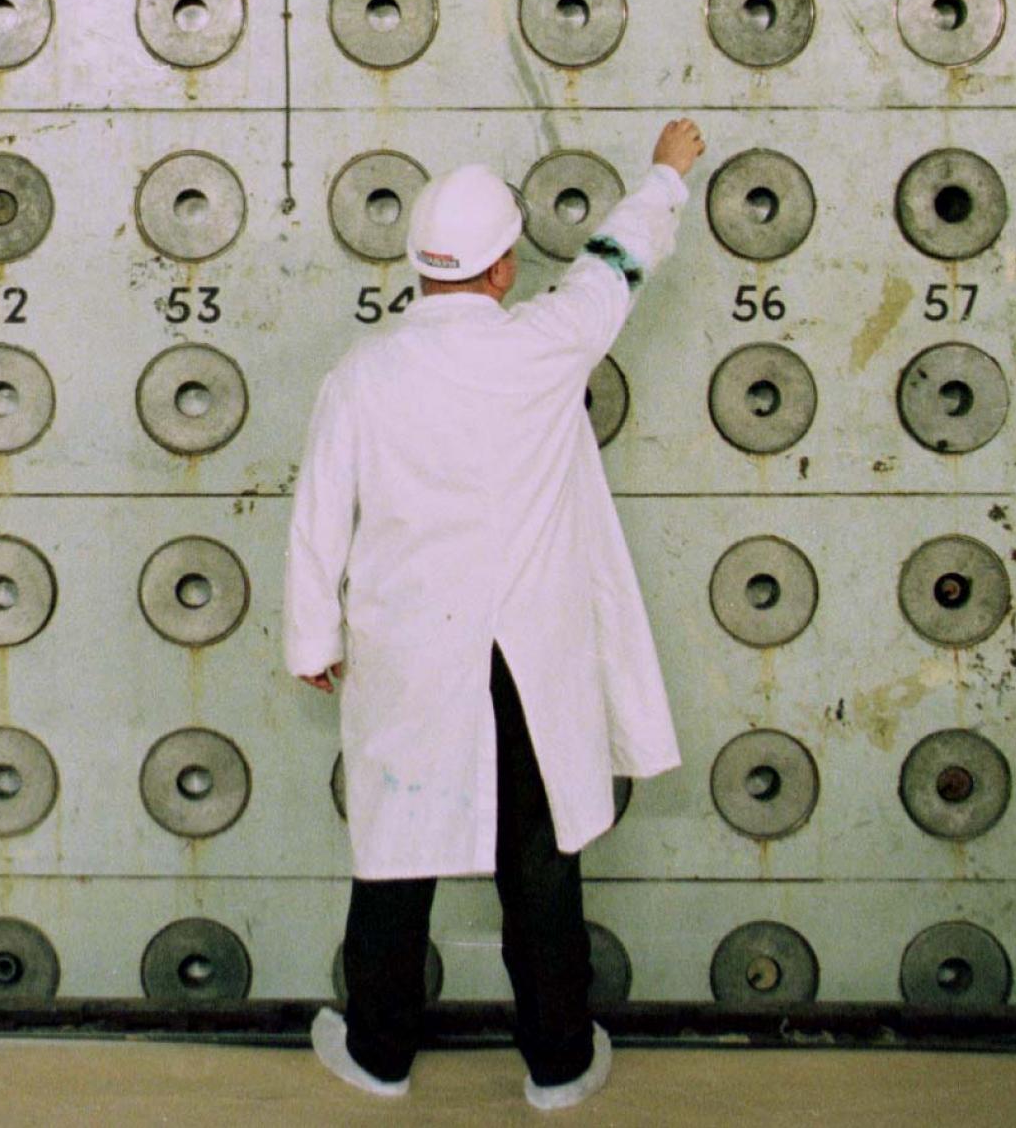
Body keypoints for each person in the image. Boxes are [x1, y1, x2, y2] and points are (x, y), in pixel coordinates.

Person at [283, 118, 707, 1110]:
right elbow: (617, 258)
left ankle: (379, 1054)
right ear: (503, 268)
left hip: (410, 662)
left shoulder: (360, 375)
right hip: (524, 659)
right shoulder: (543, 346)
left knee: (394, 858)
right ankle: (557, 1063)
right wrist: (667, 171)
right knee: (539, 860)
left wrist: (312, 636)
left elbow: (316, 519)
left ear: (418, 268)